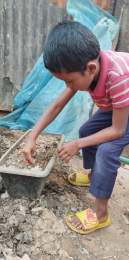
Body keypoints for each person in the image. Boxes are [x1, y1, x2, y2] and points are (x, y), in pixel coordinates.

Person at [22, 21, 129, 234]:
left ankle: (100, 212)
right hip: (116, 106)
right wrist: (32, 136)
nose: (67, 87)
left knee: (107, 151)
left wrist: (78, 145)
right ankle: (92, 176)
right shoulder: (84, 68)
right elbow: (57, 105)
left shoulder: (118, 77)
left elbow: (117, 130)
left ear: (91, 69)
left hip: (124, 110)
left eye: (69, 81)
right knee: (87, 130)